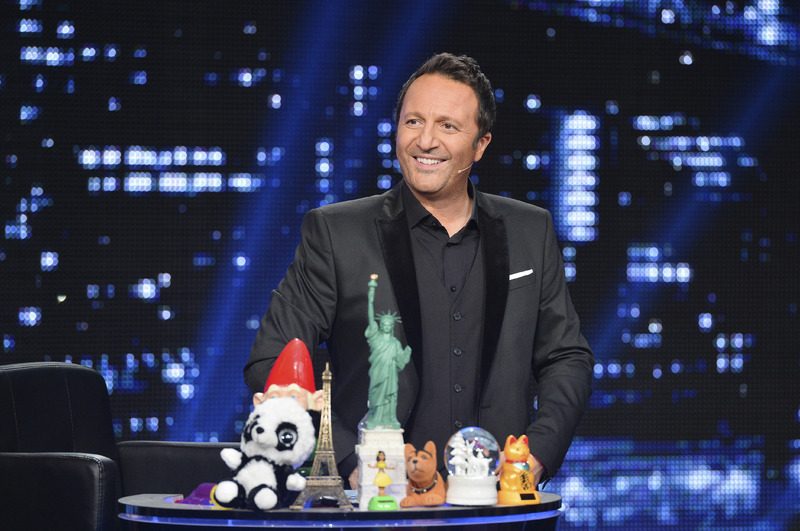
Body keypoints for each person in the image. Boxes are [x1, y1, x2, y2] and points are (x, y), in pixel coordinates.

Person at [245, 52, 594, 489]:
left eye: (447, 126)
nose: (425, 141)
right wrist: (351, 464)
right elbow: (271, 359)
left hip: (499, 502)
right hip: (377, 502)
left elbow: (566, 357)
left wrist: (537, 455)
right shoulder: (336, 233)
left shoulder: (530, 230)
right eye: (413, 122)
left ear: (481, 144)